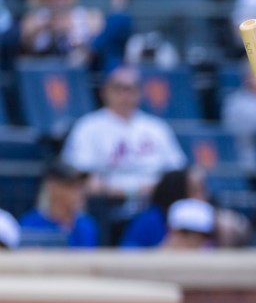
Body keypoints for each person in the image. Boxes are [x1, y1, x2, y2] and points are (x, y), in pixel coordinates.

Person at [60, 65, 188, 243]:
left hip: (154, 206)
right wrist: (125, 191)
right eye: (119, 88)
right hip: (107, 206)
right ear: (105, 91)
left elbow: (178, 173)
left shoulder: (156, 128)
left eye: (131, 89)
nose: (125, 95)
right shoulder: (89, 127)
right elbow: (79, 176)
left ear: (140, 93)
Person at [18, 160, 99, 248]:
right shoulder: (30, 224)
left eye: (80, 186)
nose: (78, 192)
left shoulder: (87, 225)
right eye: (70, 186)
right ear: (53, 187)